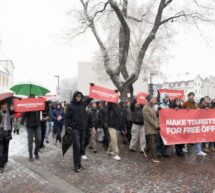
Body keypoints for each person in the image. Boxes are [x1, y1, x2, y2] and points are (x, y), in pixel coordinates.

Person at [65, 91, 92, 172]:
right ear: (74, 97)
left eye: (80, 96)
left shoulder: (82, 104)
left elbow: (89, 98)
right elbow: (67, 118)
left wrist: (92, 89)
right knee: (76, 146)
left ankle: (79, 163)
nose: (79, 98)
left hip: (82, 128)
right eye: (77, 96)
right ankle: (76, 165)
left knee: (81, 146)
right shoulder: (70, 106)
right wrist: (67, 128)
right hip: (74, 129)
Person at [182, 92, 206, 156]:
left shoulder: (195, 103)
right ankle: (184, 147)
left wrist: (200, 109)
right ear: (189, 96)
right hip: (188, 121)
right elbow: (181, 110)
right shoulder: (185, 103)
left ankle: (198, 150)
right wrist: (185, 110)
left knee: (197, 135)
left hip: (195, 122)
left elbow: (198, 111)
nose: (192, 96)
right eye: (191, 95)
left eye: (193, 95)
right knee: (186, 135)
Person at [21, 94, 41, 162]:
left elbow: (42, 109)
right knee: (30, 141)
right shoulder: (27, 105)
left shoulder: (37, 104)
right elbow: (23, 114)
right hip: (29, 125)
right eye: (31, 97)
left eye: (34, 97)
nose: (33, 98)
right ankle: (30, 155)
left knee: (38, 139)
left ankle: (36, 152)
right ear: (29, 98)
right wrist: (27, 110)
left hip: (37, 124)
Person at [142, 95, 160, 163]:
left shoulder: (152, 107)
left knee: (153, 142)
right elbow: (149, 119)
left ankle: (146, 149)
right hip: (149, 127)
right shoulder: (145, 108)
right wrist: (156, 126)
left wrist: (159, 111)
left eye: (153, 99)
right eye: (152, 99)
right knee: (152, 143)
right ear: (149, 100)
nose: (153, 100)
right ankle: (154, 157)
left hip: (154, 127)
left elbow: (155, 116)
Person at [155, 93, 172, 157]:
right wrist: (158, 111)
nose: (167, 98)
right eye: (166, 97)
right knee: (160, 138)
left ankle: (164, 151)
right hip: (160, 123)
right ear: (163, 98)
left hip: (166, 123)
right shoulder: (158, 105)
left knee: (165, 138)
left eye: (168, 97)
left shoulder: (168, 105)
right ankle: (159, 151)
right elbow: (155, 114)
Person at [0, 100, 14, 173]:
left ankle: (5, 160)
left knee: (6, 147)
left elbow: (16, 110)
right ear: (1, 105)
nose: (5, 105)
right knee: (1, 150)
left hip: (7, 132)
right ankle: (1, 165)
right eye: (3, 104)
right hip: (1, 133)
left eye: (6, 104)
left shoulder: (9, 111)